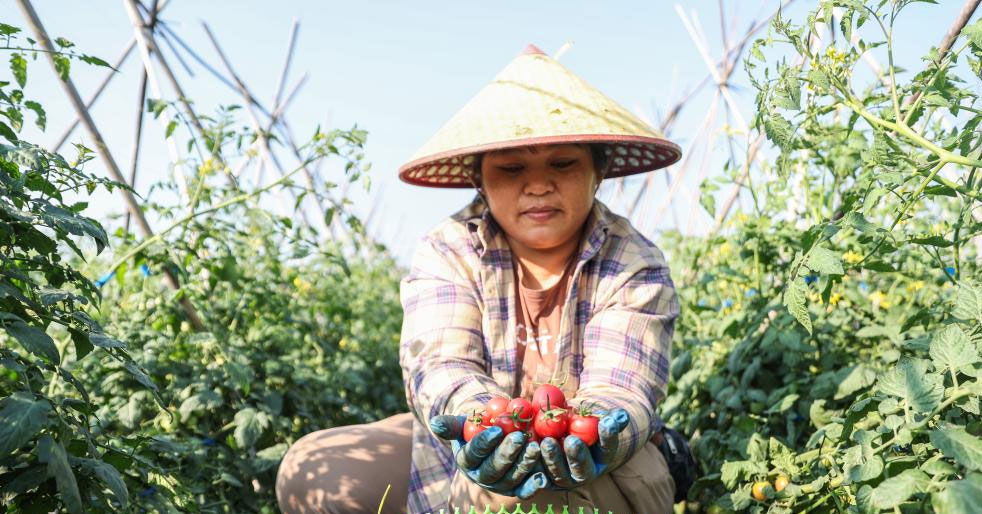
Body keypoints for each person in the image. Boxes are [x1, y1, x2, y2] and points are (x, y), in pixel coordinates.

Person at [276, 44, 684, 514]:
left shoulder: (633, 262)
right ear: (479, 179)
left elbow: (622, 387)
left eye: (562, 163)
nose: (537, 185)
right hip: (469, 453)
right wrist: (483, 424)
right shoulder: (449, 250)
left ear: (599, 169)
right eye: (511, 169)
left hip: (593, 467)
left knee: (516, 490)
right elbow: (442, 366)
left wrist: (590, 430)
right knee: (312, 469)